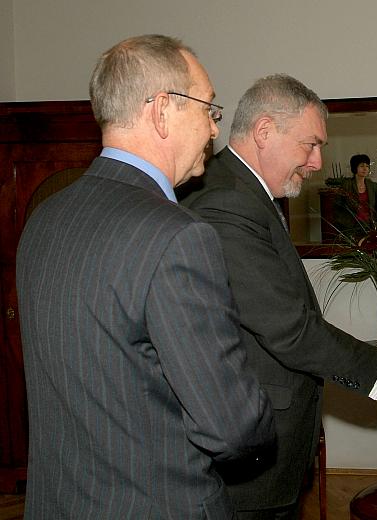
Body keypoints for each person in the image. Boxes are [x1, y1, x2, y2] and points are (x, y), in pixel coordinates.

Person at [16, 35, 275, 519]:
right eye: (208, 109)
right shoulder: (177, 235)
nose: (214, 129)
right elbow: (230, 426)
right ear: (161, 112)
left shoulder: (44, 219)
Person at [181, 73, 377, 519]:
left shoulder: (251, 195)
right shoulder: (226, 202)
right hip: (245, 451)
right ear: (264, 131)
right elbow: (289, 327)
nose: (318, 162)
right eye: (310, 144)